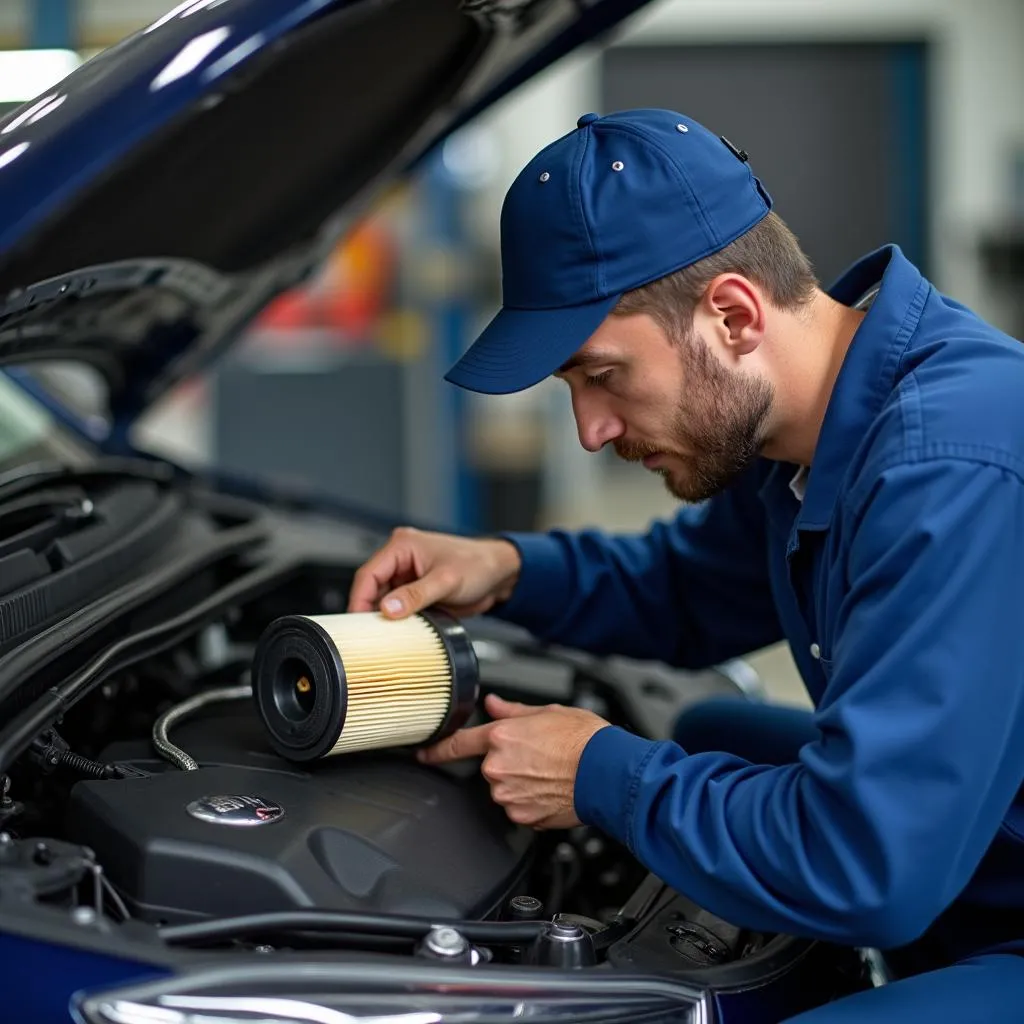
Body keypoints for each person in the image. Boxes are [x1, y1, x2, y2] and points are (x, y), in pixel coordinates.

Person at [348, 108, 1024, 1020]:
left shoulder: (948, 466)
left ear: (734, 314)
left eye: (603, 374)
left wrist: (599, 774)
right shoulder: (804, 430)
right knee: (713, 732)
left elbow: (870, 865)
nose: (591, 432)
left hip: (985, 904)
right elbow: (686, 591)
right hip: (977, 853)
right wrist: (503, 567)